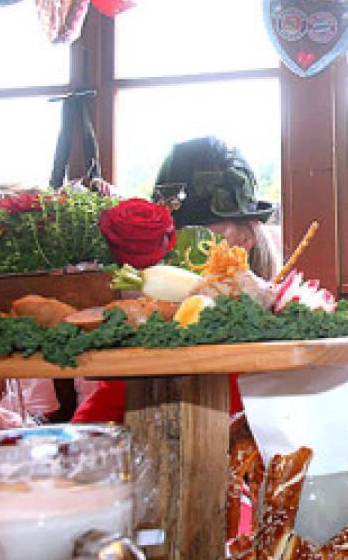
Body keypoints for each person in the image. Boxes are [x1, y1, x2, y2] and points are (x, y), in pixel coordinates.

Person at [73, 136, 279, 423]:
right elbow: (88, 433)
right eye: (171, 234)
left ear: (246, 236)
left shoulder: (279, 331)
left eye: (199, 234)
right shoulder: (149, 326)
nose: (179, 249)